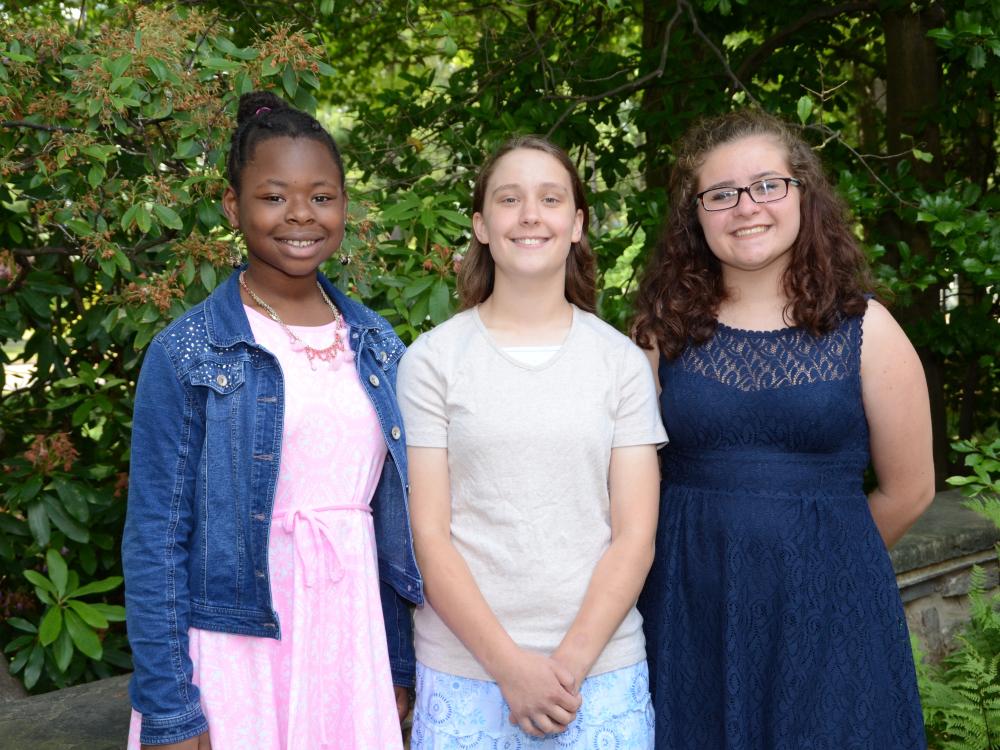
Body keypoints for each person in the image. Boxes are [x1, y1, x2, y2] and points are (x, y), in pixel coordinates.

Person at [122, 91, 422, 749]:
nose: (300, 215)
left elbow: (395, 524)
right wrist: (172, 707)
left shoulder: (377, 344)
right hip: (233, 647)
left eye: (322, 196)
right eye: (274, 195)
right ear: (233, 206)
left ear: (344, 205)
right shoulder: (189, 352)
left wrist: (399, 663)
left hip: (349, 641)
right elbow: (155, 537)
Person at [632, 109, 934, 748]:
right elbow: (624, 485)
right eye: (721, 195)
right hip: (691, 612)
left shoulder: (867, 329)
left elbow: (910, 490)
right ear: (696, 215)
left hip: (834, 619)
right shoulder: (660, 333)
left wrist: (816, 561)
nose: (747, 207)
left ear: (803, 194)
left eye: (767, 185)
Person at [397, 135, 667, 749]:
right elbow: (428, 535)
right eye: (508, 199)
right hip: (467, 672)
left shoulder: (620, 364)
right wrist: (511, 669)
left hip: (599, 674)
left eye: (550, 199)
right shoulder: (432, 362)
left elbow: (634, 535)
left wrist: (562, 670)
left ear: (575, 225)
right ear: (481, 225)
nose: (529, 215)